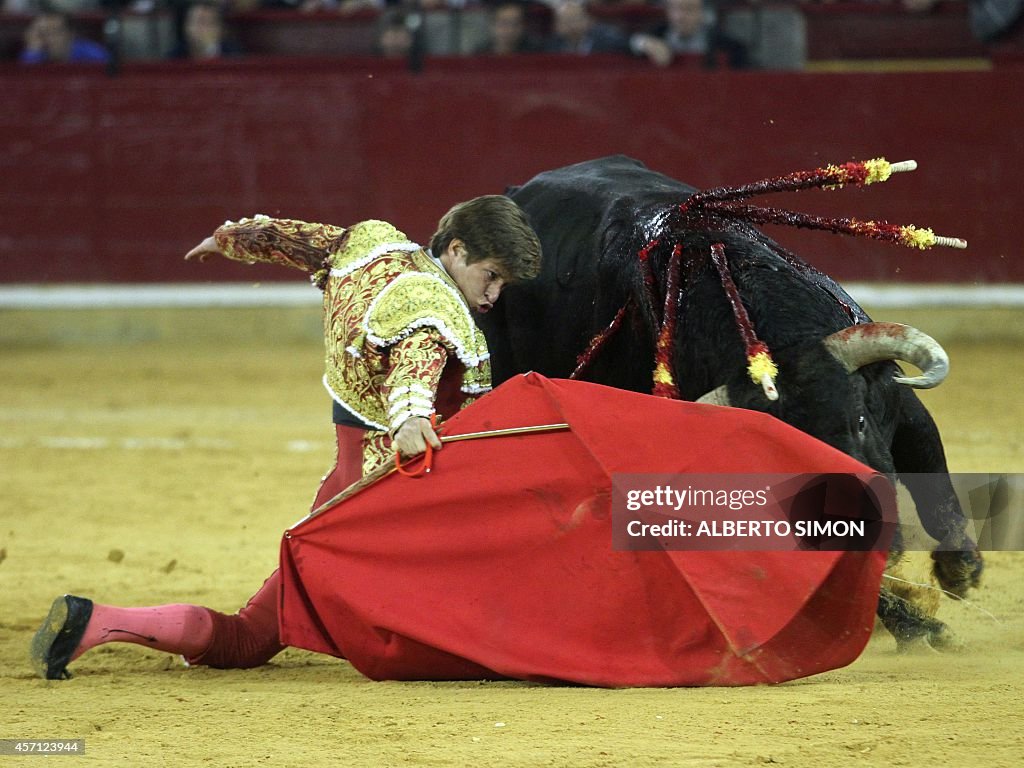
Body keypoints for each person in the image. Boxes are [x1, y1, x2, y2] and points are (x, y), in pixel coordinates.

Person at [30, 196, 542, 680]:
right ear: (457, 249)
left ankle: (94, 622)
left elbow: (309, 242)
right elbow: (416, 360)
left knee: (246, 638)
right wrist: (409, 416)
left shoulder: (376, 245)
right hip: (391, 506)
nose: (493, 294)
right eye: (490, 275)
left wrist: (235, 238)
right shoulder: (432, 305)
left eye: (503, 283)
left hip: (346, 489)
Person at [629, 0, 749, 69]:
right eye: (675, 9)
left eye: (688, 9)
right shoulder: (656, 34)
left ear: (702, 13)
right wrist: (644, 44)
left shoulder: (725, 44)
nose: (680, 16)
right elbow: (623, 42)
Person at [18, 10, 109, 64]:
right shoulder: (35, 53)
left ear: (70, 34)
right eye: (43, 33)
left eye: (54, 32)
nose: (48, 38)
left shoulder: (93, 54)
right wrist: (33, 49)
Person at [545, 0, 630, 55]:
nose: (571, 26)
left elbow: (628, 43)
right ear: (556, 26)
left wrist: (640, 43)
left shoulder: (604, 41)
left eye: (575, 20)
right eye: (565, 22)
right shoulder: (551, 46)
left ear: (588, 21)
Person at [169, 1, 244, 60]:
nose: (203, 29)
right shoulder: (175, 56)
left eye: (210, 23)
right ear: (187, 27)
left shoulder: (233, 55)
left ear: (220, 29)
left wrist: (210, 51)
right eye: (199, 22)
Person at [474, 1, 544, 55]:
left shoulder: (534, 53)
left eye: (515, 24)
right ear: (492, 25)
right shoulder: (480, 54)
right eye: (504, 23)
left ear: (523, 26)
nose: (510, 30)